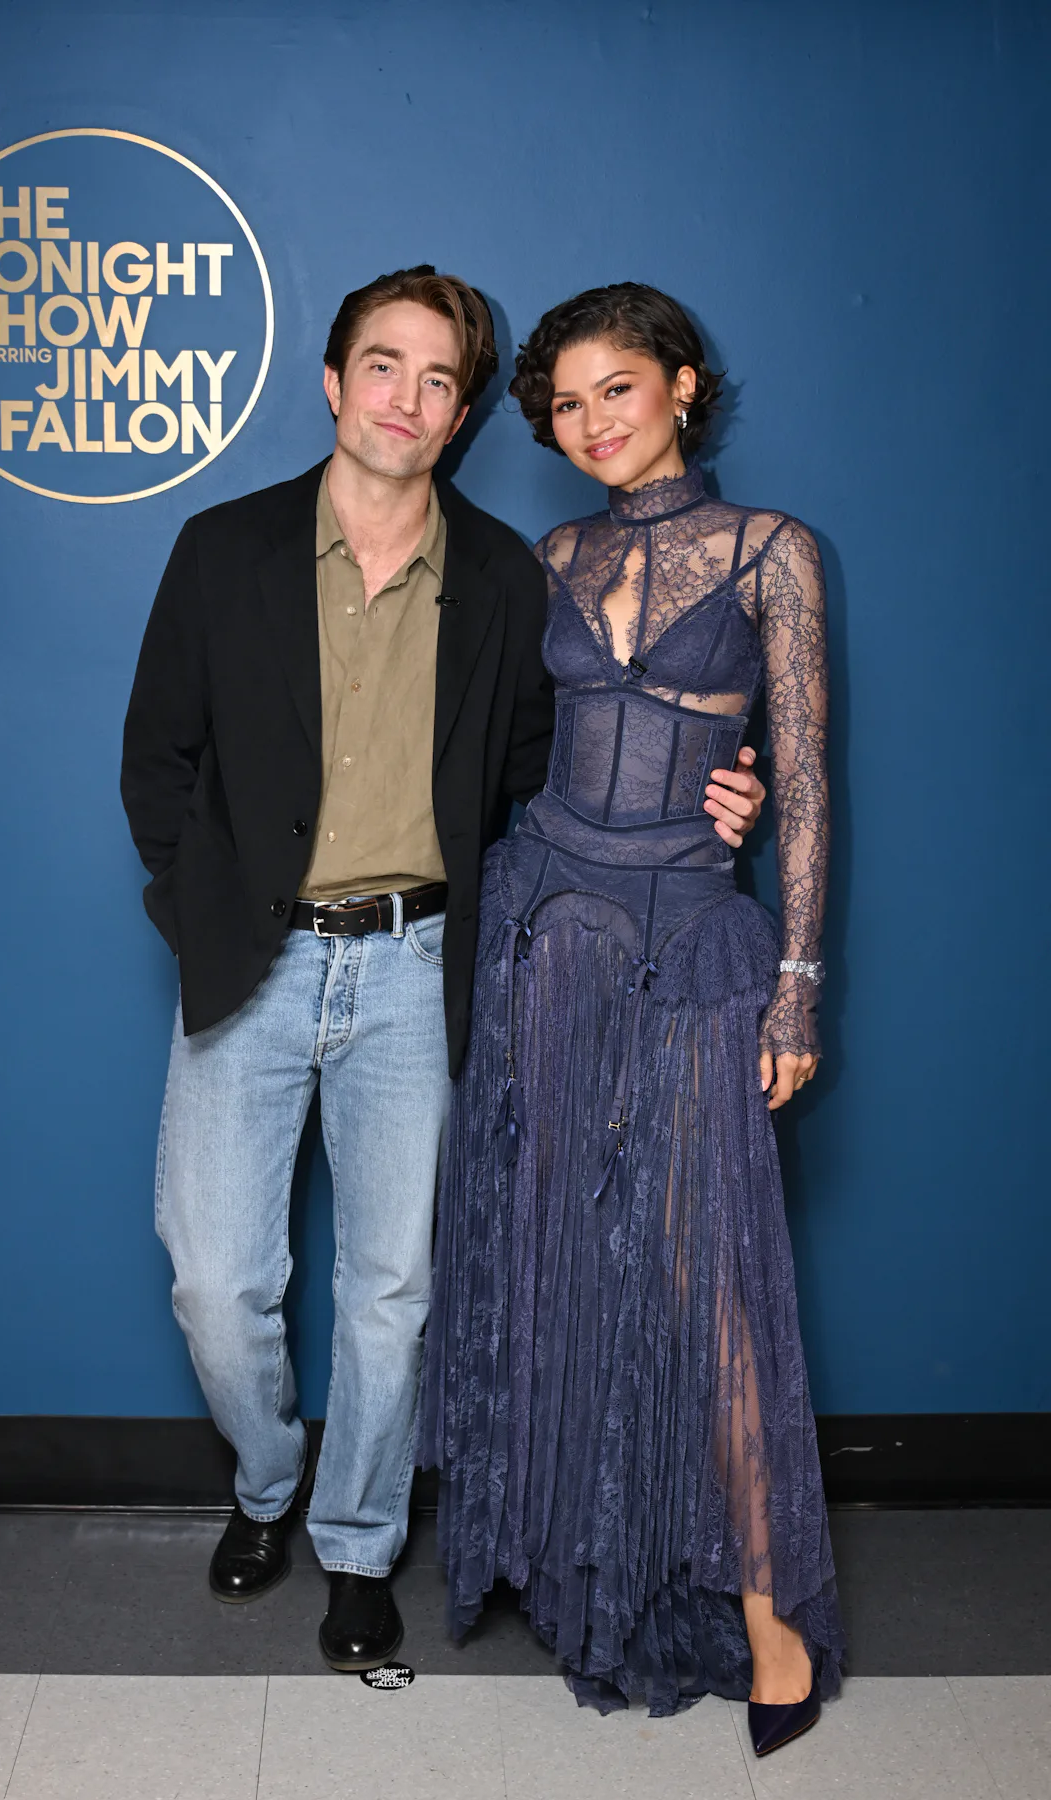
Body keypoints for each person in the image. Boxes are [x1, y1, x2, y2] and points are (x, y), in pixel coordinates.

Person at [121, 266, 766, 1673]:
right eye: (383, 366)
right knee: (215, 1283)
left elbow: (559, 764)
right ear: (334, 381)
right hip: (253, 961)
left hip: (419, 971)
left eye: (438, 380)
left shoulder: (504, 576)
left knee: (393, 1291)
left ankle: (358, 1544)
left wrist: (720, 788)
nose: (406, 400)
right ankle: (266, 1484)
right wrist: (202, 912)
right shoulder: (221, 549)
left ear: (461, 413)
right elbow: (157, 759)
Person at [421, 282, 843, 1756]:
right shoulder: (551, 557)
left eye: (618, 389)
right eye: (565, 404)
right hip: (544, 929)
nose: (592, 422)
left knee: (703, 1271)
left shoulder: (773, 552)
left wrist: (796, 980)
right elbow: (514, 750)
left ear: (681, 386)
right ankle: (588, 1568)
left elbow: (809, 777)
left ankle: (774, 1618)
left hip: (691, 941)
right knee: (558, 1251)